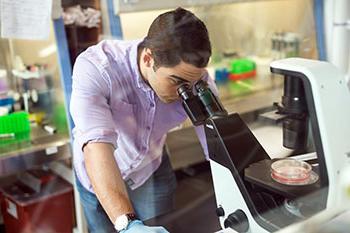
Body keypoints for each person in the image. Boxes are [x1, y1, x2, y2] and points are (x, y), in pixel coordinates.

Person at [70, 7, 216, 233]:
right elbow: (97, 146)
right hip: (99, 171)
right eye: (176, 82)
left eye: (188, 85)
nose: (182, 92)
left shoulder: (196, 80)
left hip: (150, 166)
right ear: (148, 58)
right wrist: (127, 224)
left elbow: (217, 141)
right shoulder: (98, 68)